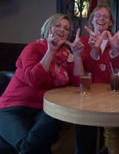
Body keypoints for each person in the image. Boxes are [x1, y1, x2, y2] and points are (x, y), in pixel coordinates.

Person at [0, 13, 83, 154]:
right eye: (58, 25)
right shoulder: (33, 48)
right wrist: (50, 51)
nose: (62, 30)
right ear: (48, 27)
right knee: (36, 147)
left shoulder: (65, 54)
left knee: (55, 115)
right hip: (14, 107)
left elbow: (78, 82)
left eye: (66, 28)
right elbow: (35, 80)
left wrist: (76, 55)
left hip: (44, 109)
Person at [74, 4, 119, 154]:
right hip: (87, 95)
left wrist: (115, 49)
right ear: (92, 20)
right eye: (98, 15)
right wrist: (94, 49)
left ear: (110, 22)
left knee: (115, 137)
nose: (101, 18)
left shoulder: (117, 41)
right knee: (85, 137)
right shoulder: (83, 41)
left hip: (111, 95)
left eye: (106, 16)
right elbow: (81, 72)